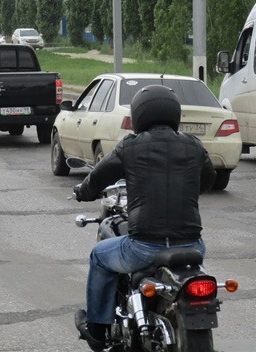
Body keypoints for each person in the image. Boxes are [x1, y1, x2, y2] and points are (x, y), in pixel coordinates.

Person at [72, 84, 217, 351]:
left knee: (99, 256)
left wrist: (82, 191)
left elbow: (98, 178)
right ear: (175, 113)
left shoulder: (131, 146)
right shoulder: (194, 145)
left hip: (145, 247)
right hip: (192, 246)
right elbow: (207, 181)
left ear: (139, 114)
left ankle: (97, 330)